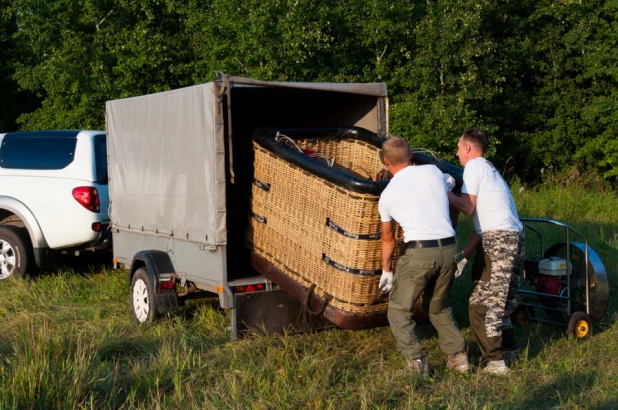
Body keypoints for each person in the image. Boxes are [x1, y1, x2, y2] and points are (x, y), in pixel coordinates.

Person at [379, 136, 469, 378]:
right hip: (450, 249)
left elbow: (388, 238)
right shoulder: (432, 171)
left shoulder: (387, 195)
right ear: (411, 155)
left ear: (387, 161)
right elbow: (450, 180)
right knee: (438, 305)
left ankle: (417, 363)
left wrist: (387, 270)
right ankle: (459, 358)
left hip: (419, 253)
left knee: (399, 310)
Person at [448, 127, 525, 375]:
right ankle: (508, 350)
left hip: (499, 240)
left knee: (484, 301)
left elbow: (468, 208)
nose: (457, 153)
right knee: (504, 299)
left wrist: (445, 191)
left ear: (468, 148)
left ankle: (495, 362)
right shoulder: (490, 170)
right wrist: (465, 255)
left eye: (459, 148)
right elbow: (483, 226)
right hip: (513, 237)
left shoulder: (474, 167)